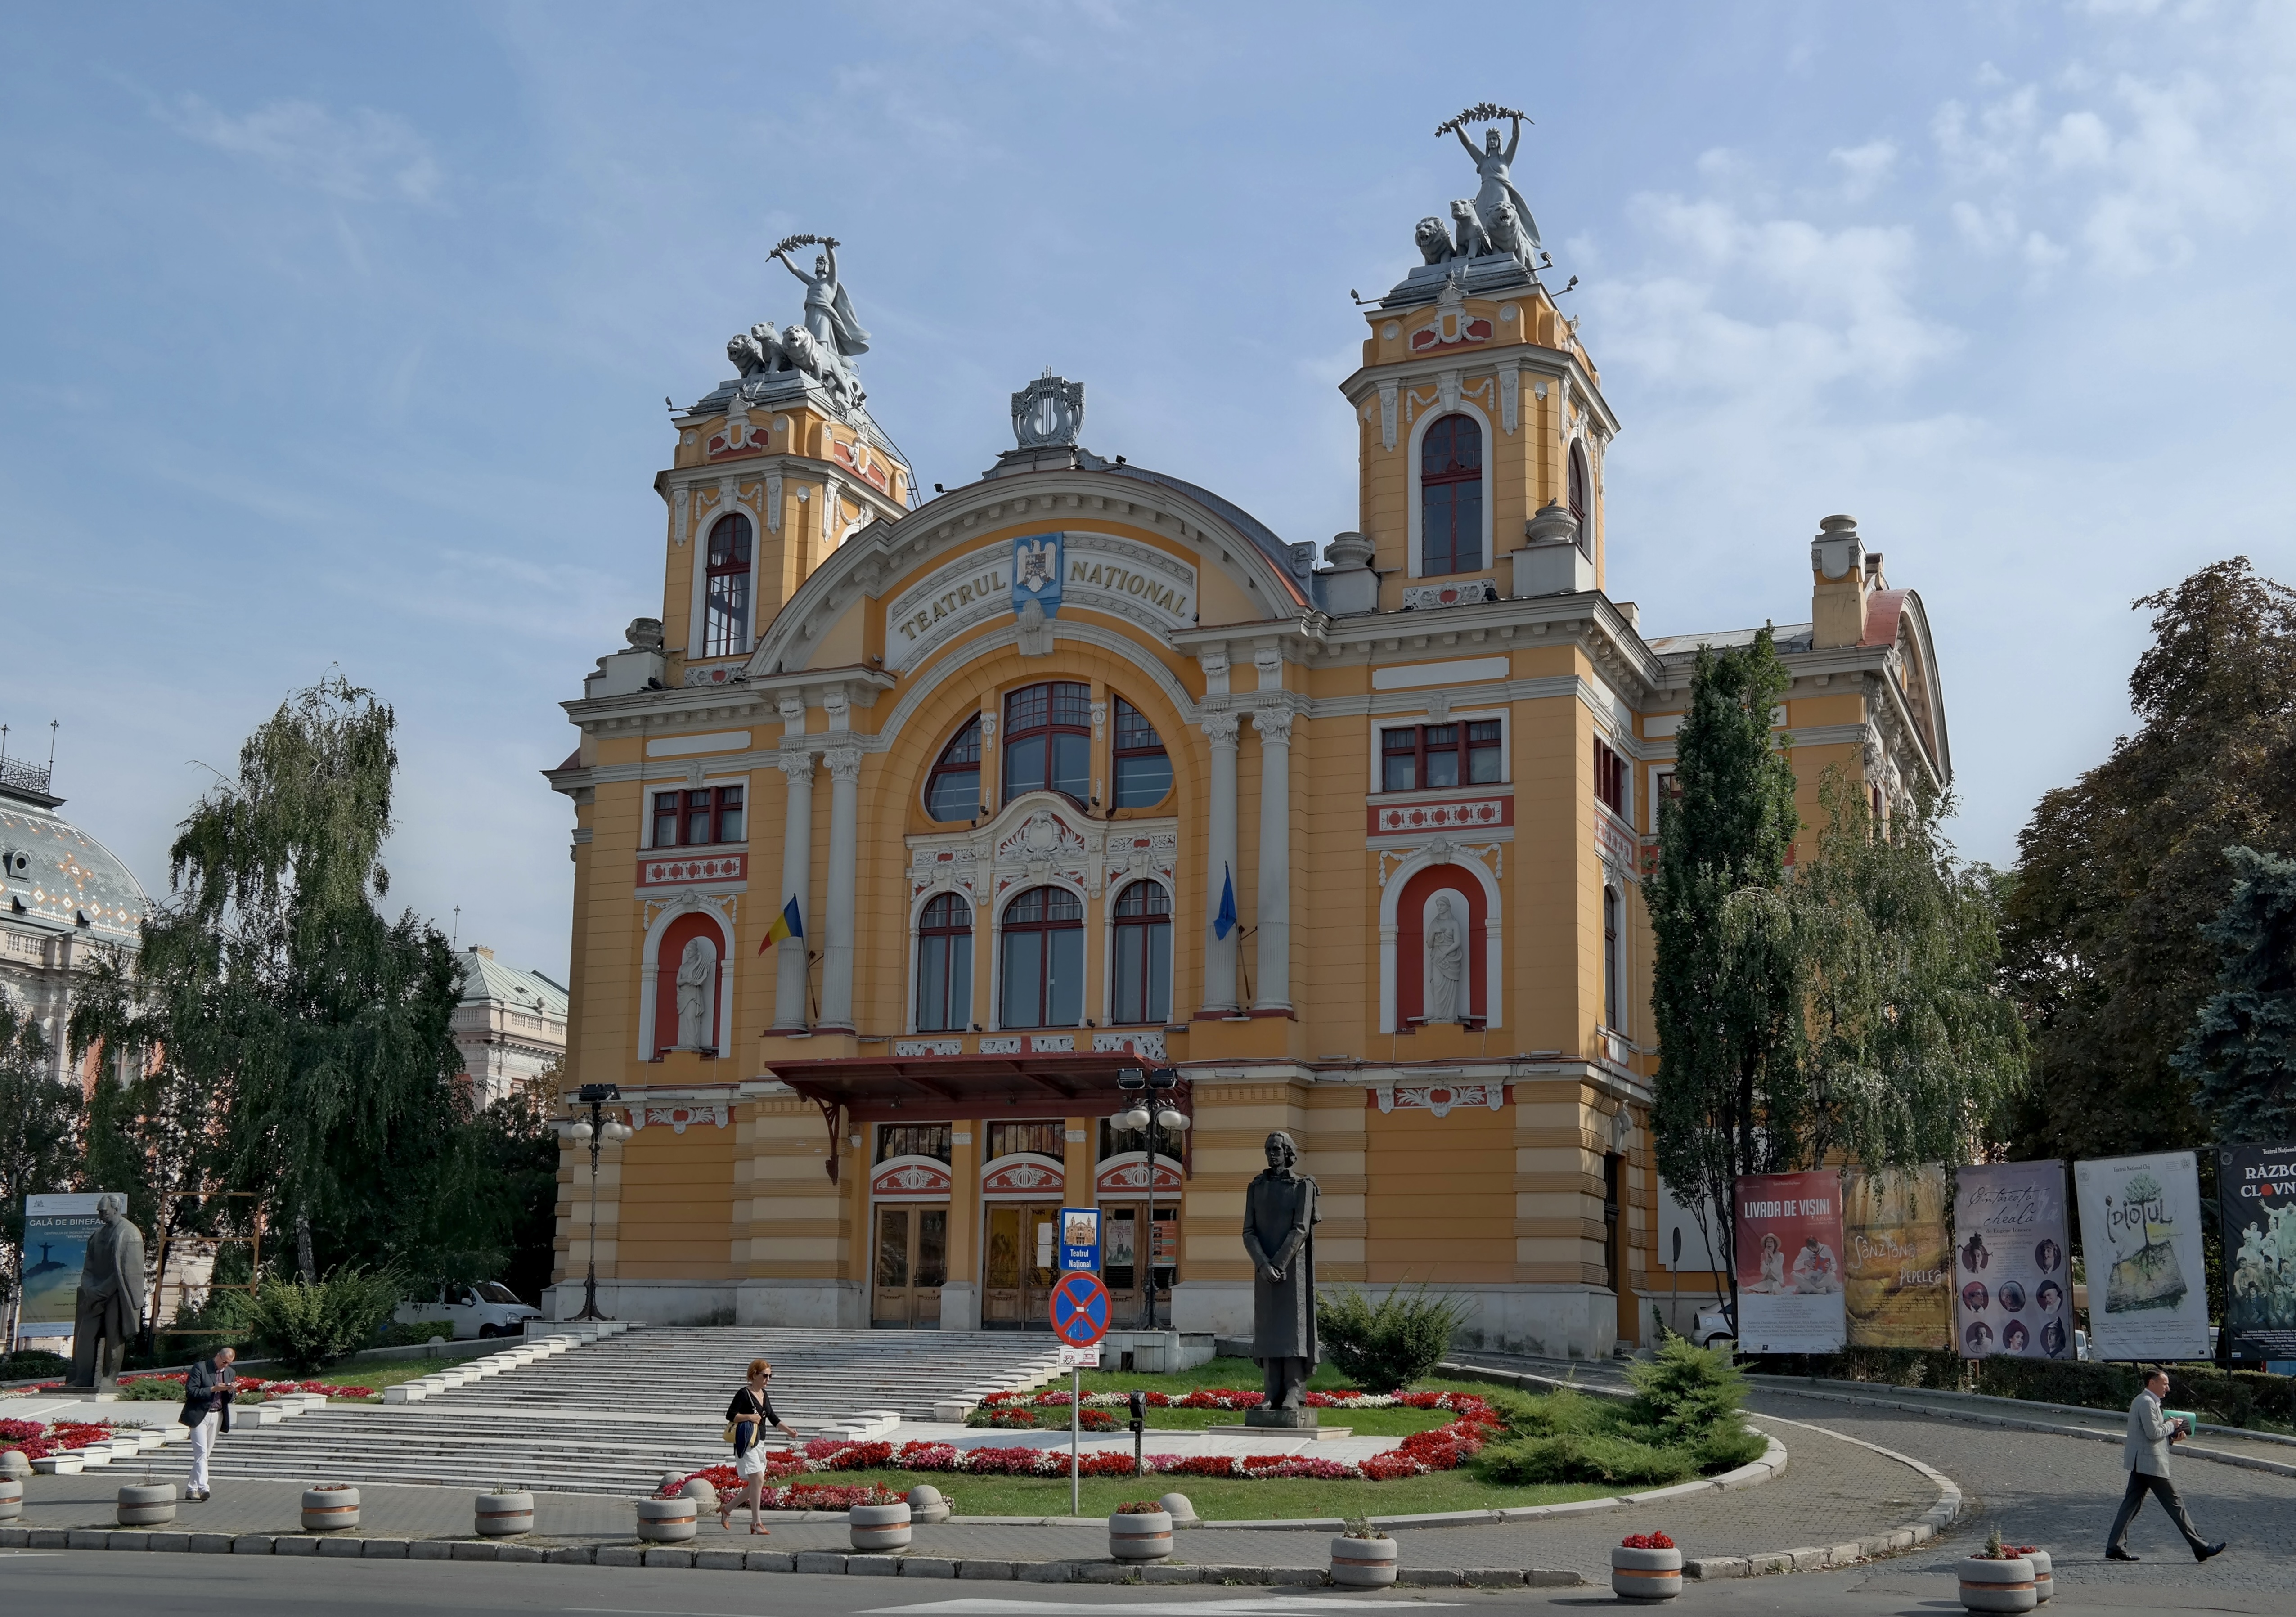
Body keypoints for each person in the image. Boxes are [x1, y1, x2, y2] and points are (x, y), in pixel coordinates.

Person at [2107, 1367, 2225, 1563]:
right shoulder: (2146, 1402)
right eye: (2165, 1384)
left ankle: (2114, 1547)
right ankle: (2201, 1547)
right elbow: (2153, 1433)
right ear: (2152, 1383)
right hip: (2150, 1463)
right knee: (2176, 1504)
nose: (2168, 1388)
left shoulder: (2148, 1402)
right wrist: (2174, 1424)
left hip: (2143, 1461)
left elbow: (2151, 1436)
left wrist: (2173, 1438)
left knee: (2130, 1506)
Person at [723, 1358, 796, 1534]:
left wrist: (789, 1431)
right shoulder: (744, 1393)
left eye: (770, 1376)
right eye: (765, 1376)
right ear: (754, 1375)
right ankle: (756, 1523)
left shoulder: (764, 1394)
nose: (768, 1380)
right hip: (746, 1443)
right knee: (759, 1481)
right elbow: (730, 1415)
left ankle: (727, 1510)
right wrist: (750, 1417)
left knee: (755, 1485)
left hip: (760, 1443)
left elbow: (772, 1417)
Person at [179, 1345, 237, 1502]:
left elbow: (230, 1399)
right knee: (202, 1453)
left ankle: (192, 1489)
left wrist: (231, 1391)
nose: (225, 1366)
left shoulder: (230, 1373)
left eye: (229, 1364)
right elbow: (191, 1392)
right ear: (218, 1356)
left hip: (217, 1415)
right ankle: (204, 1487)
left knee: (205, 1456)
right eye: (224, 1362)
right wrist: (212, 1389)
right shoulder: (201, 1367)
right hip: (199, 1415)